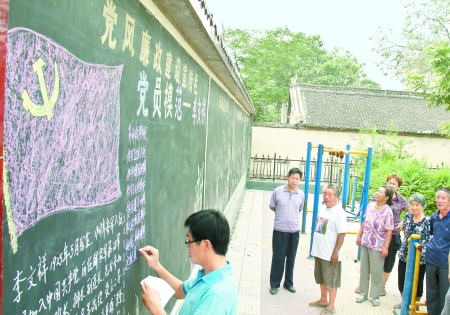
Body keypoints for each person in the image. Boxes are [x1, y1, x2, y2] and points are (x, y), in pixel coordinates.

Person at [139, 209, 238, 315]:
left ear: (206, 245)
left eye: (189, 240)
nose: (187, 245)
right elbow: (179, 290)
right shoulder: (210, 276)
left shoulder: (215, 296)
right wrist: (156, 266)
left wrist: (156, 307)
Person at [356, 174, 409, 296]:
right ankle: (364, 286)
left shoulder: (401, 200)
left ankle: (381, 286)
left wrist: (403, 222)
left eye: (394, 183)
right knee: (369, 262)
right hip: (371, 237)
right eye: (389, 182)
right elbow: (367, 217)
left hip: (392, 234)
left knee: (387, 262)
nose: (391, 185)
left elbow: (411, 212)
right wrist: (360, 234)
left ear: (398, 187)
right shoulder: (377, 198)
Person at [308, 183, 347, 315]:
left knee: (331, 280)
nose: (326, 197)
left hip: (330, 254)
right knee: (321, 278)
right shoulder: (323, 208)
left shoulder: (339, 213)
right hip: (319, 251)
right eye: (325, 194)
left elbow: (342, 234)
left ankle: (331, 306)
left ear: (337, 197)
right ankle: (323, 300)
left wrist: (335, 252)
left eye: (330, 194)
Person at [355, 186, 394, 307]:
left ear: (387, 197)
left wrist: (386, 247)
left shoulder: (388, 211)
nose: (377, 193)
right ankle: (363, 293)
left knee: (376, 271)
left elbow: (389, 231)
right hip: (366, 242)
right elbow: (365, 221)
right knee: (364, 269)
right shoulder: (370, 206)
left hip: (378, 245)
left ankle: (375, 296)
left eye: (380, 192)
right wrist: (359, 235)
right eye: (377, 191)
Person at [268, 167, 305, 295]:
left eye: (297, 179)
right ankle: (274, 284)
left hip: (294, 231)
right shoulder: (277, 191)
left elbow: (299, 209)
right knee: (278, 258)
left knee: (291, 258)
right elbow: (273, 207)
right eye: (292, 178)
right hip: (279, 230)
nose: (294, 181)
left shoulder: (301, 194)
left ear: (300, 180)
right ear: (287, 177)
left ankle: (288, 283)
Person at [394, 193, 431, 310]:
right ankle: (404, 301)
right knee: (402, 278)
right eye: (412, 204)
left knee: (417, 281)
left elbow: (429, 239)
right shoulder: (409, 215)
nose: (414, 207)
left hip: (420, 257)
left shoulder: (428, 221)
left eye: (417, 205)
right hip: (405, 253)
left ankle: (414, 304)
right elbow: (405, 231)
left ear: (423, 206)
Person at [426, 187, 450, 315]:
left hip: (446, 264)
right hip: (431, 259)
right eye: (438, 198)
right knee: (431, 294)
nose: (439, 201)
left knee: (444, 296)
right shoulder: (434, 216)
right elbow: (432, 234)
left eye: (443, 198)